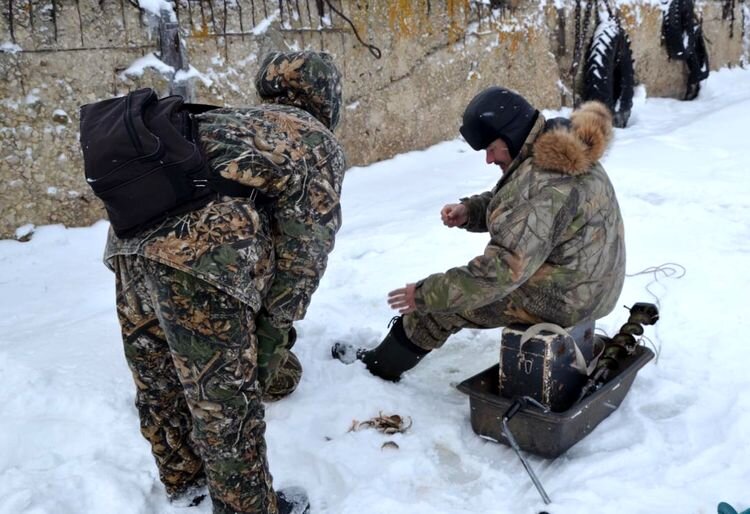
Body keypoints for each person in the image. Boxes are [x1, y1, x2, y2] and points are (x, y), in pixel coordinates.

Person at [105, 51, 346, 514]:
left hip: (128, 247)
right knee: (225, 407)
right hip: (202, 263)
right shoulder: (313, 140)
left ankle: (186, 484)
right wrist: (275, 327)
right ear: (328, 98)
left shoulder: (230, 120)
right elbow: (305, 253)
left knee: (160, 381)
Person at [334, 86, 625, 382]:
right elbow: (527, 207)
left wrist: (424, 295)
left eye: (490, 148)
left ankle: (378, 369)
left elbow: (499, 273)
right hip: (594, 283)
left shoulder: (545, 183)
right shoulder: (561, 149)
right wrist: (471, 210)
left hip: (566, 298)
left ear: (511, 134)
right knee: (456, 292)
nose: (488, 159)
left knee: (442, 306)